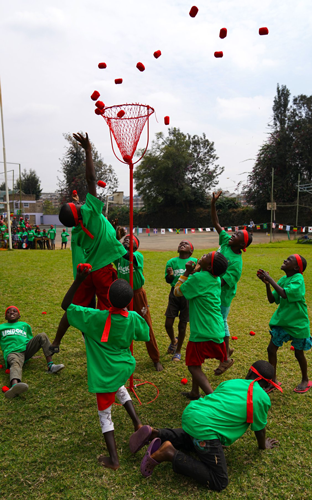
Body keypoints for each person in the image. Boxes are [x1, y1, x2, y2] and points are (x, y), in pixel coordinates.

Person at [51, 266, 150, 470]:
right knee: (120, 387)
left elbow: (66, 306)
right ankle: (138, 423)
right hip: (123, 367)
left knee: (105, 414)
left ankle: (113, 460)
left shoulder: (95, 317)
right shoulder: (132, 318)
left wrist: (79, 280)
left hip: (105, 373)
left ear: (107, 297)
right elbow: (145, 334)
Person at [133, 360, 279, 491]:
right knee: (219, 481)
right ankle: (169, 453)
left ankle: (157, 433)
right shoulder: (262, 398)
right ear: (267, 385)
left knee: (195, 440)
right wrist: (262, 446)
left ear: (249, 372)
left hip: (193, 413)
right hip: (204, 427)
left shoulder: (232, 382)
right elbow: (259, 429)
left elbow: (219, 409)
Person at [58, 132, 126, 311]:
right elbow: (91, 179)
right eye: (76, 204)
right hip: (104, 269)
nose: (79, 203)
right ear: (81, 212)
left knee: (83, 307)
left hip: (91, 270)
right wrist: (88, 150)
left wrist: (77, 204)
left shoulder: (78, 231)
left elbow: (77, 215)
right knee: (114, 306)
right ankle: (112, 334)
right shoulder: (93, 211)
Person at [174, 251, 229, 400]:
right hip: (216, 330)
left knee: (193, 366)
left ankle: (213, 399)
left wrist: (186, 272)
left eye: (205, 257)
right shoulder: (216, 278)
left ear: (210, 267)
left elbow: (178, 291)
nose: (202, 256)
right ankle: (194, 392)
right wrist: (197, 269)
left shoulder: (198, 278)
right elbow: (199, 281)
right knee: (196, 362)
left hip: (202, 332)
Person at [211, 191, 253, 375]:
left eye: (236, 236)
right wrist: (213, 204)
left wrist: (204, 277)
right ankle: (225, 350)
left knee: (222, 322)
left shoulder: (236, 263)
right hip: (213, 291)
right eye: (234, 233)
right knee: (217, 323)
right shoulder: (227, 243)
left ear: (241, 245)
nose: (232, 235)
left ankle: (226, 358)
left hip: (223, 296)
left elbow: (221, 282)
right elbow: (216, 224)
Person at [257, 254, 312, 393]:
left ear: (296, 267)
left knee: (299, 353)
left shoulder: (298, 279)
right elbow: (272, 299)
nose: (284, 260)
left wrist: (270, 278)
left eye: (289, 260)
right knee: (271, 349)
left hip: (297, 323)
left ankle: (305, 379)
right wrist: (267, 285)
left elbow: (284, 294)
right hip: (282, 322)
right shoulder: (283, 279)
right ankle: (272, 379)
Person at [114, 234, 163, 371]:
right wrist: (115, 238)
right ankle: (120, 357)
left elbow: (127, 256)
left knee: (146, 325)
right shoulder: (118, 256)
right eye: (125, 239)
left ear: (136, 246)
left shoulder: (137, 256)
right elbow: (111, 250)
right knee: (121, 324)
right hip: (123, 294)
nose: (127, 240)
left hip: (137, 294)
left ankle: (155, 359)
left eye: (130, 240)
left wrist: (118, 243)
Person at [0, 306, 64, 400]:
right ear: (6, 317)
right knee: (15, 363)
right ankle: (14, 387)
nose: (12, 313)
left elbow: (29, 339)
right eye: (8, 312)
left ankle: (51, 366)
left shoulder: (25, 325)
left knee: (42, 336)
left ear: (19, 316)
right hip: (13, 352)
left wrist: (32, 354)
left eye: (15, 311)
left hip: (26, 348)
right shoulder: (1, 327)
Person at [164, 241, 197, 361]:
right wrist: (170, 275)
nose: (182, 244)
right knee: (168, 324)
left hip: (187, 295)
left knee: (182, 325)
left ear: (191, 251)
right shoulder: (171, 262)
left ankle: (178, 351)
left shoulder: (195, 261)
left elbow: (198, 276)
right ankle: (174, 340)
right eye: (180, 244)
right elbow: (168, 280)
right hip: (174, 293)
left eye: (186, 244)